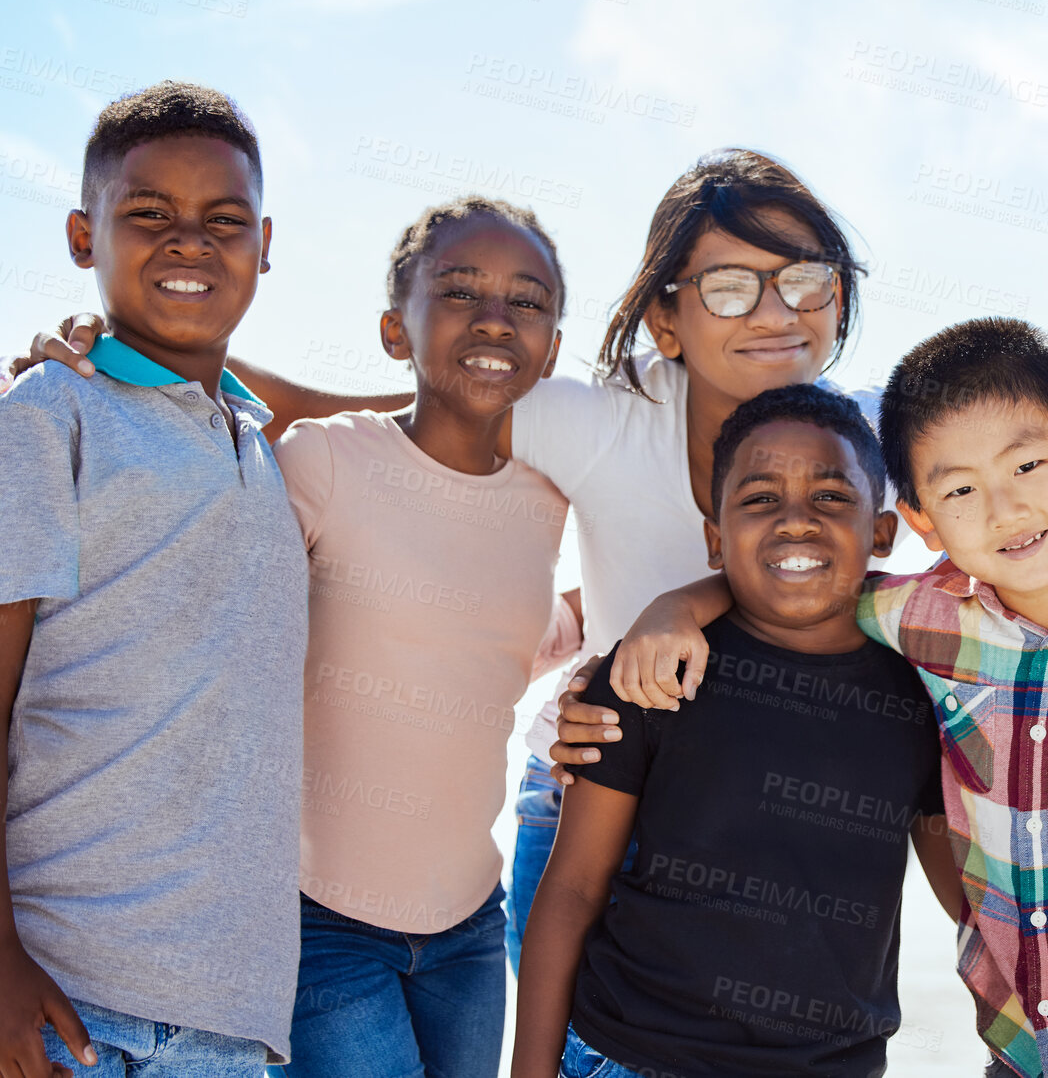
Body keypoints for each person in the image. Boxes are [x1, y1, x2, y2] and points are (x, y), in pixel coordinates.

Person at [7, 148, 880, 973]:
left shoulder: (880, 440)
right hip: (588, 788)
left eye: (806, 279)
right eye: (731, 287)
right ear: (667, 317)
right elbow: (415, 407)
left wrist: (670, 606)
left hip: (750, 814)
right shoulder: (605, 421)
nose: (775, 313)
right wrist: (125, 355)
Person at [609, 319, 1048, 1078]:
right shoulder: (922, 618)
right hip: (1018, 1057)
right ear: (920, 517)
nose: (1003, 508)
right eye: (958, 488)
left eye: (1027, 464)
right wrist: (676, 607)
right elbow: (795, 580)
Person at [512, 384, 953, 1078]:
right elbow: (571, 891)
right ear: (715, 540)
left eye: (832, 497)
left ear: (882, 531)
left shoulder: (922, 694)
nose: (797, 520)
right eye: (759, 499)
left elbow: (968, 899)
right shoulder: (648, 675)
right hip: (630, 1056)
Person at [0, 81, 305, 1075]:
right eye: (149, 216)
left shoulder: (260, 445)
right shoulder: (51, 413)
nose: (188, 242)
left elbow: (440, 414)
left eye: (224, 221)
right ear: (85, 237)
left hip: (235, 1017)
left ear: (266, 247)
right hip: (71, 1001)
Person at [268, 196, 582, 1077]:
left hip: (469, 928)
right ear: (393, 330)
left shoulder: (550, 497)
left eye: (527, 300)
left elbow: (500, 636)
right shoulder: (322, 460)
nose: (495, 317)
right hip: (316, 917)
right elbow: (228, 611)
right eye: (458, 292)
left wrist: (603, 627)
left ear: (553, 346)